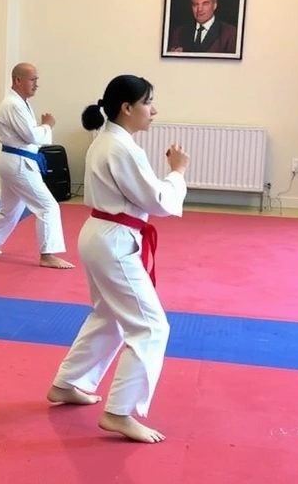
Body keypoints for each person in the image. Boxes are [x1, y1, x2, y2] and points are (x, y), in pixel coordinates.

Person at [46, 74, 188, 444]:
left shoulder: (106, 140)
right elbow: (156, 200)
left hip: (101, 234)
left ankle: (68, 383)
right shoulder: (120, 148)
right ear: (127, 108)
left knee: (109, 315)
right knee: (152, 327)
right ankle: (119, 412)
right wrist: (177, 173)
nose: (153, 110)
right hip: (114, 240)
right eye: (148, 102)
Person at [0, 62, 74, 269]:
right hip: (18, 163)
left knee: (10, 209)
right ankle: (48, 254)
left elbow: (29, 135)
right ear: (18, 80)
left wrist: (42, 127)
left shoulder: (20, 102)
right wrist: (47, 125)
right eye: (33, 79)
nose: (37, 84)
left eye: (37, 79)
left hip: (15, 161)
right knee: (48, 206)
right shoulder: (12, 104)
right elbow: (30, 135)